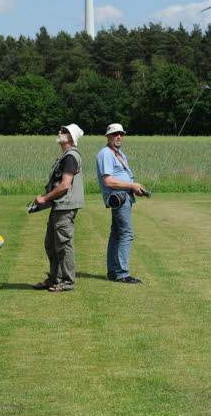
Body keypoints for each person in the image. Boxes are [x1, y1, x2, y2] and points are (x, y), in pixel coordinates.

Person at [32, 124, 85, 292]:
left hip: (65, 206)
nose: (59, 133)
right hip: (60, 205)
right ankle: (54, 278)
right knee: (51, 244)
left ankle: (67, 281)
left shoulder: (71, 156)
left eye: (64, 131)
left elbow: (64, 185)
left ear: (70, 137)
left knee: (63, 245)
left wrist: (44, 198)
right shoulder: (66, 156)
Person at [96, 123, 147, 284]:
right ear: (108, 136)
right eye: (115, 134)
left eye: (121, 134)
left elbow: (122, 177)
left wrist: (135, 188)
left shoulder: (118, 153)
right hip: (118, 198)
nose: (118, 136)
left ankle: (113, 271)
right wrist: (131, 185)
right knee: (126, 234)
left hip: (125, 196)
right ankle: (122, 273)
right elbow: (108, 180)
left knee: (117, 234)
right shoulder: (106, 154)